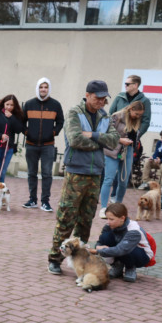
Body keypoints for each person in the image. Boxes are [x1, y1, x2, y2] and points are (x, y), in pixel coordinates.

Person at [47, 80, 120, 275]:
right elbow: (75, 139)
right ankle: (55, 258)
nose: (101, 102)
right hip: (76, 173)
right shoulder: (74, 113)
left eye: (104, 99)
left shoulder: (105, 116)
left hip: (95, 173)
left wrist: (93, 135)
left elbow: (114, 141)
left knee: (86, 220)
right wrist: (100, 142)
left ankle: (79, 260)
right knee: (66, 217)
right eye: (98, 98)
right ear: (87, 95)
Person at [21, 78, 64, 211]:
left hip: (48, 146)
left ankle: (45, 202)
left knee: (47, 174)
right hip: (31, 145)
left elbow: (61, 121)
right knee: (31, 173)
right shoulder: (29, 104)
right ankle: (32, 200)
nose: (43, 89)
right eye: (41, 87)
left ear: (48, 88)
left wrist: (54, 132)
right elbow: (21, 122)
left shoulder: (55, 105)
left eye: (45, 87)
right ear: (37, 88)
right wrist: (27, 132)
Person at [88, 202, 152, 283]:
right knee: (105, 237)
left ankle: (130, 267)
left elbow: (121, 250)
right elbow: (100, 241)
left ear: (122, 218)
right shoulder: (108, 226)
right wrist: (98, 246)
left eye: (111, 219)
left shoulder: (133, 230)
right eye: (107, 218)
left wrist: (96, 251)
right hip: (122, 249)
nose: (108, 222)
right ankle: (117, 265)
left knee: (127, 249)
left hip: (141, 255)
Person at [98, 102, 144, 214]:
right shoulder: (116, 116)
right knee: (108, 179)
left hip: (127, 150)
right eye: (136, 114)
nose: (138, 116)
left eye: (140, 115)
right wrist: (121, 140)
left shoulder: (137, 120)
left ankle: (118, 206)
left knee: (123, 180)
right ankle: (103, 207)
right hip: (113, 149)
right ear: (131, 109)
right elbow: (107, 133)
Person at [110, 75, 152, 139]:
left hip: (131, 137)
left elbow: (145, 122)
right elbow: (110, 114)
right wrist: (111, 133)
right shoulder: (119, 97)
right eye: (125, 84)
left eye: (127, 84)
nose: (125, 86)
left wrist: (136, 135)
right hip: (116, 136)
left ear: (135, 85)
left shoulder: (145, 101)